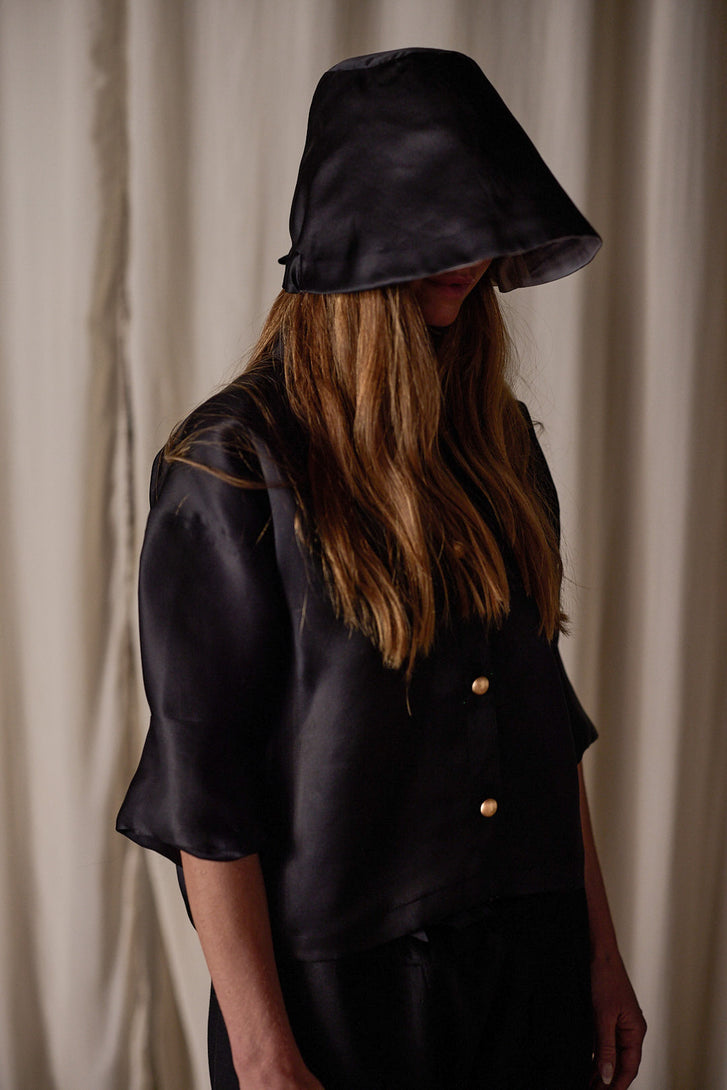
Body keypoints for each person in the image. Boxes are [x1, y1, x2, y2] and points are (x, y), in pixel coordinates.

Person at [117, 48, 646, 1090]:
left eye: (480, 224)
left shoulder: (496, 442)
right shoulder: (230, 466)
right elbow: (202, 791)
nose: (468, 254)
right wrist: (263, 1053)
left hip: (529, 968)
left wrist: (599, 950)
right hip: (340, 1000)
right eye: (432, 223)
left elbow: (542, 722)